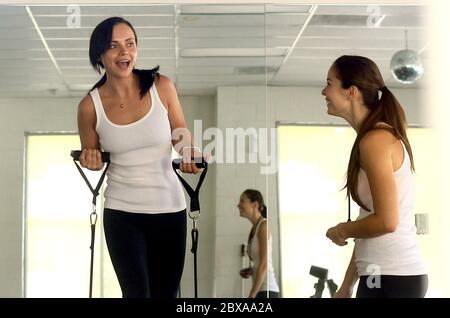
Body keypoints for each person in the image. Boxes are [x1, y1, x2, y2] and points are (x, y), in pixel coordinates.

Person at [77, 17, 203, 298]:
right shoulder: (89, 107)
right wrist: (91, 159)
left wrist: (188, 152)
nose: (124, 53)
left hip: (169, 209)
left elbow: (179, 130)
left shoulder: (162, 87)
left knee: (167, 295)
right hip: (123, 213)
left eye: (130, 44)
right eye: (114, 46)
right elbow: (92, 155)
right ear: (100, 53)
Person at [322, 55, 428, 298]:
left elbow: (386, 221)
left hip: (393, 277)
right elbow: (370, 219)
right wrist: (347, 285)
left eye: (329, 83)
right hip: (382, 275)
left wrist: (343, 230)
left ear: (352, 92)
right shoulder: (371, 139)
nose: (323, 91)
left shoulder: (375, 140)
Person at [237, 189, 280, 298]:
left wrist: (252, 294)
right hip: (262, 291)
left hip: (267, 291)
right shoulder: (255, 228)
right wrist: (252, 269)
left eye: (242, 201)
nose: (238, 205)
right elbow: (261, 262)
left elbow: (265, 264)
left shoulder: (263, 227)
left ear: (255, 204)